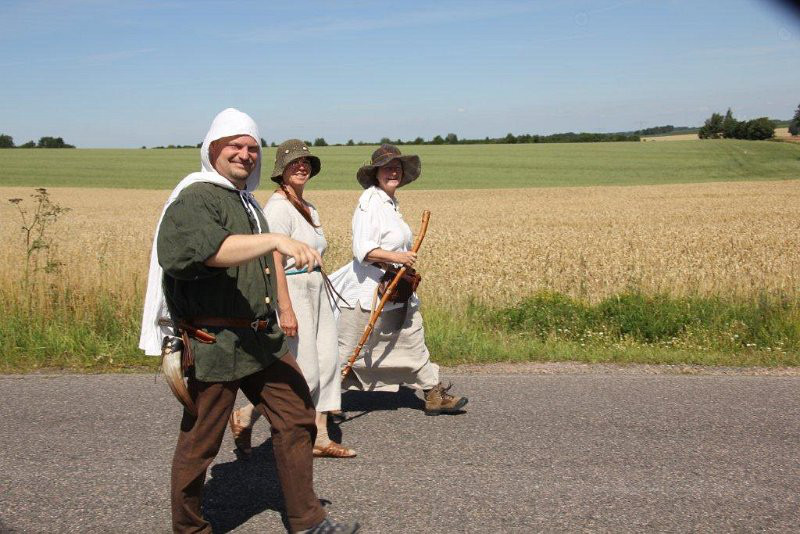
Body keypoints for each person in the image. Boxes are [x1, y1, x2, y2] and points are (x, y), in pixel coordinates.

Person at [139, 108, 358, 534]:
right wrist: (276, 239)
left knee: (296, 414)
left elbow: (263, 260)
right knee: (201, 441)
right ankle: (189, 529)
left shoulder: (246, 201)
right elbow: (204, 253)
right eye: (235, 146)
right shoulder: (197, 196)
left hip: (259, 335)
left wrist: (280, 300)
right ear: (213, 149)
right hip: (215, 339)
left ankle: (307, 520)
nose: (244, 154)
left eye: (252, 147)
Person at [229, 140, 356, 459]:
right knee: (304, 369)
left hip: (317, 289)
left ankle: (321, 437)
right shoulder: (278, 207)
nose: (302, 167)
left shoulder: (309, 207)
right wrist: (284, 308)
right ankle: (248, 414)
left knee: (327, 362)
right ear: (281, 170)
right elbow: (272, 258)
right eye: (294, 162)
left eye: (306, 162)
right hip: (294, 290)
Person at [331, 144, 468, 416]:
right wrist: (398, 257)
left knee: (413, 337)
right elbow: (362, 249)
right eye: (387, 168)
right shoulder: (370, 202)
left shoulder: (390, 204)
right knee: (347, 350)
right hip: (369, 292)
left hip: (396, 288)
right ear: (376, 173)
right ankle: (320, 401)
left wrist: (400, 263)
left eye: (397, 167)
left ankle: (433, 393)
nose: (393, 172)